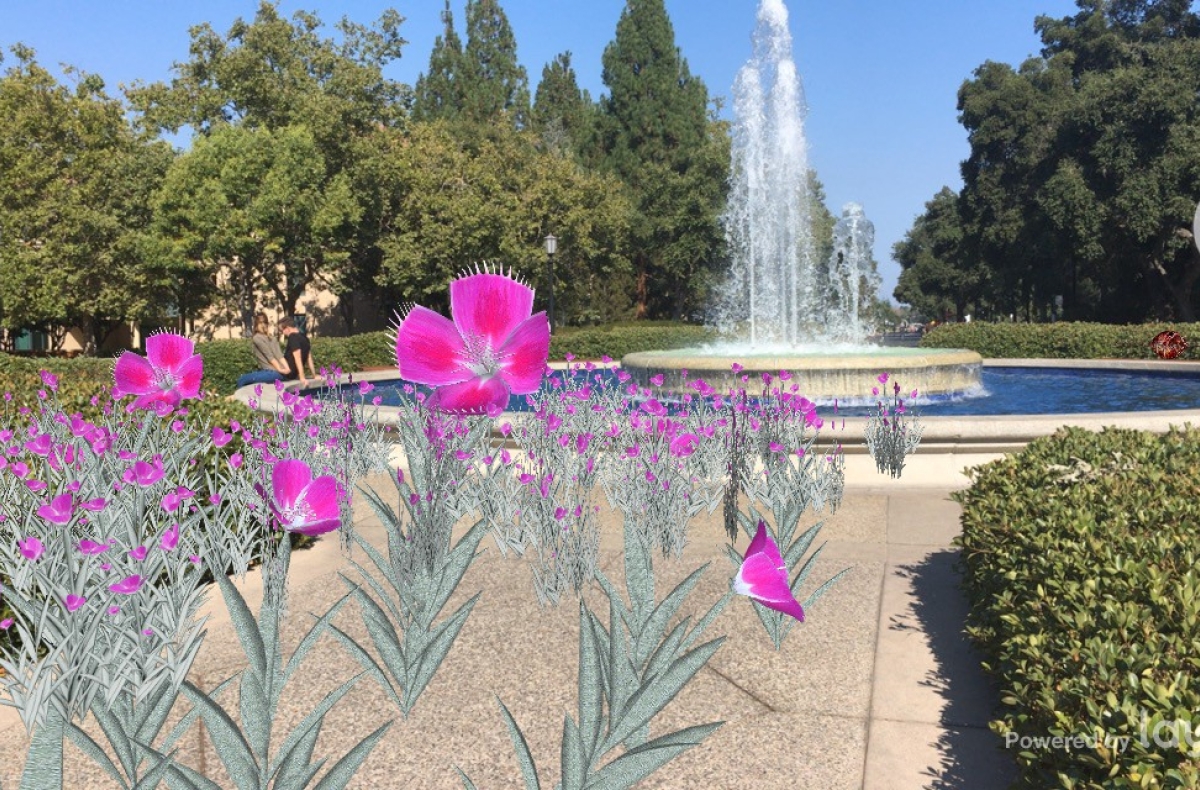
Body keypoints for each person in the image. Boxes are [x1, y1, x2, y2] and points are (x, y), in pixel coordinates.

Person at [235, 313, 289, 389]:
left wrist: (281, 370)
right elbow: (280, 356)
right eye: (261, 323)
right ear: (256, 325)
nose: (263, 325)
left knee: (242, 379)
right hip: (280, 373)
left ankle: (240, 400)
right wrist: (287, 369)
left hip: (273, 372)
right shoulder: (273, 338)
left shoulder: (257, 338)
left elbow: (270, 357)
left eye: (265, 322)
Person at [280, 316, 317, 388]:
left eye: (282, 330)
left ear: (287, 328)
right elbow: (309, 358)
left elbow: (298, 358)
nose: (283, 333)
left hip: (285, 374)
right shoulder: (305, 338)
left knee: (254, 377)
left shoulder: (292, 337)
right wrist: (314, 375)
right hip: (292, 375)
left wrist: (302, 377)